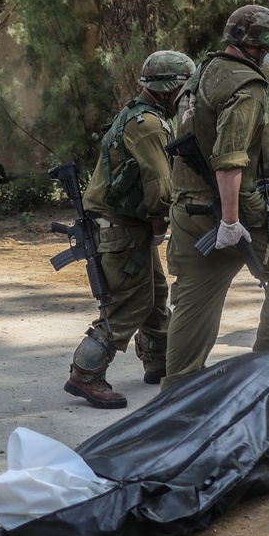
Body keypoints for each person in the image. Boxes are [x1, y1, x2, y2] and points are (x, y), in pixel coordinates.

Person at [163, 5, 269, 388]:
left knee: (194, 300)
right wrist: (231, 221)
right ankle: (267, 368)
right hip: (227, 206)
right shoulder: (246, 86)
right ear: (258, 48)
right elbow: (229, 161)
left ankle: (177, 389)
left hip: (185, 207)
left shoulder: (202, 73)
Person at [64, 51, 194, 408]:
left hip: (126, 225)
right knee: (127, 305)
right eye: (184, 90)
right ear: (170, 90)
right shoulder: (149, 125)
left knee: (153, 293)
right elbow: (160, 186)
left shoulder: (141, 115)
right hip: (121, 229)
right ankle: (85, 374)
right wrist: (161, 221)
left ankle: (159, 361)